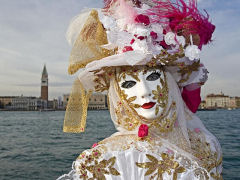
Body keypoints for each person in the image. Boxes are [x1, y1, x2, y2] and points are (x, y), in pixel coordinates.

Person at [58, 0, 222, 179]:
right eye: (129, 84)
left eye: (153, 77)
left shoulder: (205, 146)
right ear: (117, 93)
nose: (144, 91)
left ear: (169, 81)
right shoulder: (110, 158)